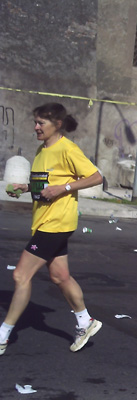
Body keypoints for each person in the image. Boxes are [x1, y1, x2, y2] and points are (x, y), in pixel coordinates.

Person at [0, 102, 103, 355]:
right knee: (60, 276)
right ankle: (85, 321)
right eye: (35, 122)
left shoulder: (67, 148)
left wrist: (64, 188)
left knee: (21, 276)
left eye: (41, 123)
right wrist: (26, 189)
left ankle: (3, 335)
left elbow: (96, 176)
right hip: (44, 220)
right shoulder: (41, 149)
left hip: (56, 222)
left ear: (57, 125)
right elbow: (45, 185)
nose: (36, 127)